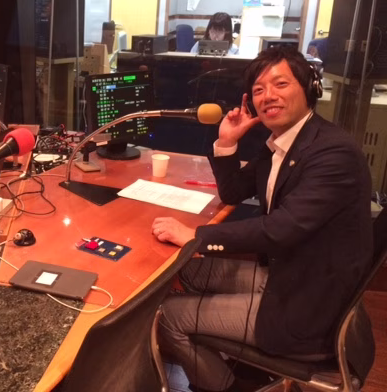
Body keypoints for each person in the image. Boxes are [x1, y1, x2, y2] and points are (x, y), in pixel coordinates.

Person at [151, 46, 372, 392]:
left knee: (167, 317)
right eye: (258, 89)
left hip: (308, 307)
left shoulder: (332, 153)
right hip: (291, 276)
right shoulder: (284, 143)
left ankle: (229, 387)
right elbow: (233, 192)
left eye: (280, 84)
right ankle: (227, 362)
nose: (268, 95)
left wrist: (196, 236)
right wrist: (227, 141)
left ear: (309, 88)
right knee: (188, 272)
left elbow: (281, 228)